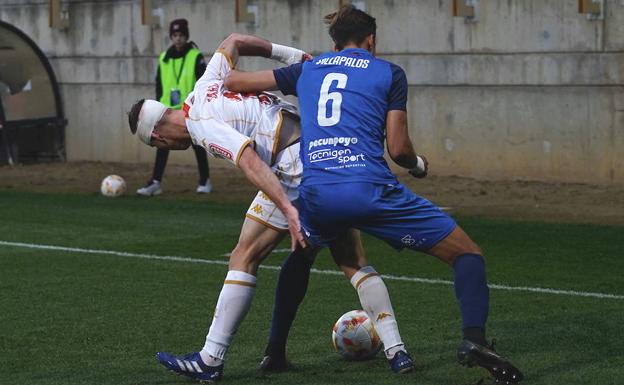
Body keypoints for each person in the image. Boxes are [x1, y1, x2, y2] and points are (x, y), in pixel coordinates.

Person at [224, 5, 523, 384]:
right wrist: (417, 164)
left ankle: (275, 351)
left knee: (300, 258)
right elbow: (397, 150)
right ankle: (475, 340)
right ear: (371, 40)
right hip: (369, 189)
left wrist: (235, 50)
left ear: (334, 42)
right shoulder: (389, 73)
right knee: (467, 254)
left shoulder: (307, 70)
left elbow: (235, 83)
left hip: (318, 193)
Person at [127, 33, 414, 382]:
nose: (169, 148)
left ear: (157, 138)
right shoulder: (205, 83)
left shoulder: (200, 125)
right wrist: (292, 55)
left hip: (294, 166)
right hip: (314, 147)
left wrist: (289, 210)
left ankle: (211, 359)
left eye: (162, 146)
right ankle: (396, 351)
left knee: (267, 255)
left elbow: (249, 161)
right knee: (329, 256)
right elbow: (233, 40)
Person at [136, 18, 212, 196]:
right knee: (162, 145)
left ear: (186, 36)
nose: (178, 39)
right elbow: (159, 84)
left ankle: (204, 180)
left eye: (181, 35)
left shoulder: (195, 56)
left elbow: (204, 82)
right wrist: (158, 107)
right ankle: (155, 182)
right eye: (175, 35)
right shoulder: (164, 58)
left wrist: (200, 107)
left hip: (189, 110)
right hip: (167, 112)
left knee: (197, 144)